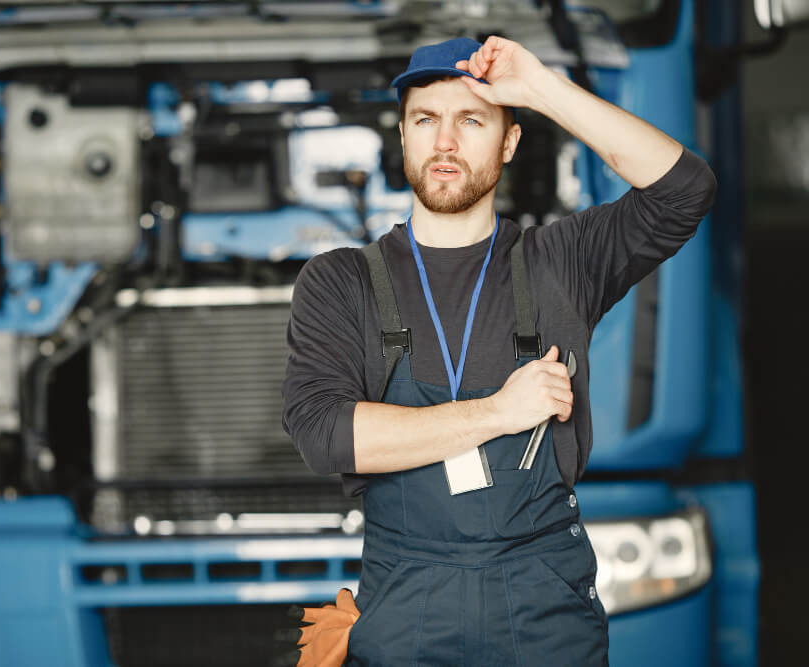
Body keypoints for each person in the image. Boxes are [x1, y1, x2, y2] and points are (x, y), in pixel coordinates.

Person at [282, 35, 716, 666]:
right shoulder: (340, 281)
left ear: (510, 141)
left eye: (472, 119)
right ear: (403, 137)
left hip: (544, 604)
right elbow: (324, 434)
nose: (445, 142)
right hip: (407, 606)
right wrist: (498, 413)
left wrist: (541, 89)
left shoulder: (561, 262)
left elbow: (684, 191)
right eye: (425, 120)